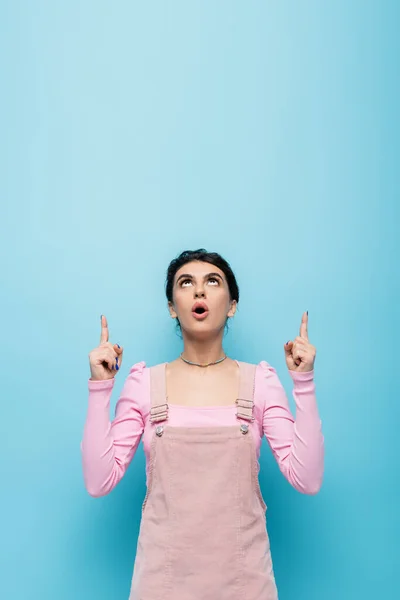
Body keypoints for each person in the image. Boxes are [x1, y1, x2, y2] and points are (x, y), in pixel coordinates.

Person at [81, 248, 324, 600]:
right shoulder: (143, 384)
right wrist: (100, 388)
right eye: (186, 283)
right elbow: (98, 481)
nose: (199, 291)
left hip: (246, 586)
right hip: (160, 587)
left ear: (232, 304)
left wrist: (304, 382)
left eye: (212, 281)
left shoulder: (261, 382)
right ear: (171, 307)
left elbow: (308, 478)